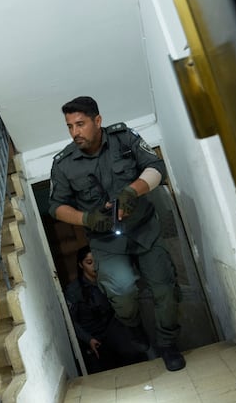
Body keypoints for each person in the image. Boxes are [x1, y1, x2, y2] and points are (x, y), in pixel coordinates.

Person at [48, 96, 186, 371]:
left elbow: (156, 168)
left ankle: (168, 344)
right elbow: (56, 207)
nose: (75, 132)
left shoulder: (125, 139)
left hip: (145, 231)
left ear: (97, 121)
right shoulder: (64, 164)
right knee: (122, 292)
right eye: (69, 127)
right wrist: (86, 218)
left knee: (165, 291)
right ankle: (134, 327)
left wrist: (133, 190)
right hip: (105, 241)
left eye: (80, 124)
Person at [65, 245, 147, 374]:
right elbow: (71, 322)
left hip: (112, 329)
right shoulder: (74, 290)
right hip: (91, 336)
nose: (94, 266)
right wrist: (88, 339)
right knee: (100, 371)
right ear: (81, 265)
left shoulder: (108, 280)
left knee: (134, 354)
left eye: (97, 262)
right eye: (89, 262)